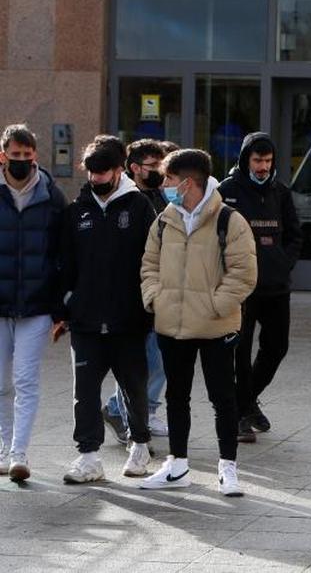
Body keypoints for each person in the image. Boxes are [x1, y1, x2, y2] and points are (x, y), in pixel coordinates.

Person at [138, 149, 257, 497]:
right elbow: (149, 265)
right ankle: (177, 465)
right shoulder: (164, 220)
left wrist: (214, 306)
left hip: (215, 325)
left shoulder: (229, 220)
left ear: (187, 182)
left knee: (223, 398)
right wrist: (155, 298)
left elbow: (244, 273)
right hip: (172, 325)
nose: (165, 186)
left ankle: (228, 468)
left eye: (169, 180)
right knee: (177, 396)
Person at [57, 136, 157, 483]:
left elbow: (152, 261)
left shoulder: (140, 208)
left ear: (119, 170)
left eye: (104, 174)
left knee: (134, 387)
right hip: (85, 321)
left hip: (129, 320)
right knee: (84, 392)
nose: (97, 181)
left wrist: (149, 309)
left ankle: (140, 446)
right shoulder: (76, 211)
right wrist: (66, 306)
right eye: (92, 175)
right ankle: (88, 458)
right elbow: (65, 264)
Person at [218, 132, 302, 443]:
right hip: (241, 289)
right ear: (245, 160)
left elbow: (295, 235)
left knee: (277, 347)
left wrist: (283, 262)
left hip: (276, 287)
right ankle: (241, 413)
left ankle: (246, 402)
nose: (263, 167)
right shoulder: (228, 191)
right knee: (239, 351)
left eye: (267, 161)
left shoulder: (280, 192)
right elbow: (217, 237)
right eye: (257, 160)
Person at [0, 124, 66, 482]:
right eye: (15, 155)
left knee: (25, 380)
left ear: (36, 156)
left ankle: (19, 453)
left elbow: (63, 254)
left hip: (36, 306)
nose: (22, 161)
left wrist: (60, 308)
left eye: (27, 156)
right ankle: (3, 444)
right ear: (3, 155)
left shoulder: (52, 197)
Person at [102, 138, 169, 445]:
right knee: (139, 361)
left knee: (157, 359)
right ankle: (126, 411)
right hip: (134, 292)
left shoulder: (160, 196)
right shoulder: (125, 200)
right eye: (152, 166)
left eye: (161, 165)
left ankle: (134, 410)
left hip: (159, 288)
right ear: (133, 168)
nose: (158, 171)